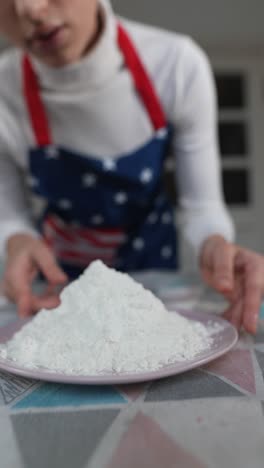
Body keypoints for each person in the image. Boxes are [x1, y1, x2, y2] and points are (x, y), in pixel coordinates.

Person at [0, 0, 263, 334]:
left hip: (154, 274)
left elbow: (203, 206)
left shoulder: (176, 64)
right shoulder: (3, 90)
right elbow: (10, 216)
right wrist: (16, 240)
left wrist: (215, 244)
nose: (30, 9)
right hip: (59, 286)